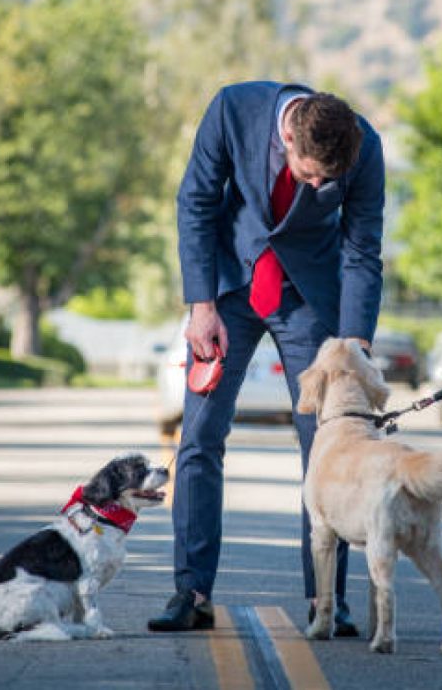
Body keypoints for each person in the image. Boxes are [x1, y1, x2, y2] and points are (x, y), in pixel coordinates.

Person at [147, 83, 385, 634]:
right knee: (200, 437)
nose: (321, 187)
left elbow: (361, 247)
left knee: (327, 448)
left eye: (330, 181)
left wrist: (354, 344)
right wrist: (200, 304)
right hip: (229, 287)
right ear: (287, 137)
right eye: (311, 175)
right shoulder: (234, 110)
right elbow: (197, 202)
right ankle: (192, 591)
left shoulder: (364, 147)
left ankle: (326, 601)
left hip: (308, 297)